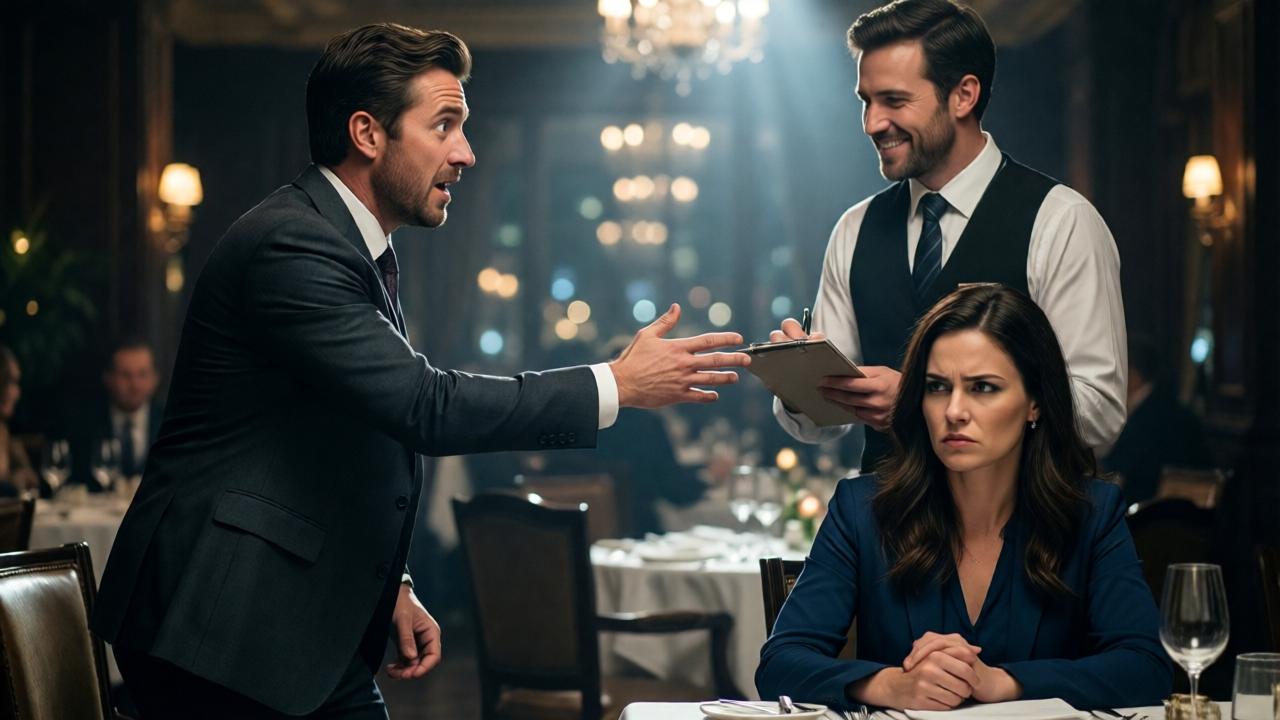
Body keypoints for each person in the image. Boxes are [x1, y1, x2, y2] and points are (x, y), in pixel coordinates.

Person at [91, 24, 750, 719]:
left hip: (296, 616)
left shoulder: (348, 248)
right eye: (444, 125)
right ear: (368, 133)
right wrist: (613, 384)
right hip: (220, 621)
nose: (465, 153)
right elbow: (422, 405)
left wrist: (390, 585)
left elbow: (345, 440)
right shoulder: (294, 244)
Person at [756, 285, 1171, 712]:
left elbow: (1146, 669)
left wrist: (1002, 682)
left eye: (983, 388)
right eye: (937, 387)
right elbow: (780, 665)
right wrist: (889, 685)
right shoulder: (862, 509)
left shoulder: (1092, 513)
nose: (954, 410)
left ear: (1034, 404)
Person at [770, 0, 1126, 473]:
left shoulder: (1061, 221)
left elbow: (1099, 411)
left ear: (963, 95)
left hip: (1021, 535)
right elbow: (824, 424)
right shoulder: (854, 229)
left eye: (894, 101)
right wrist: (799, 384)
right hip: (885, 531)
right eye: (866, 101)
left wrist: (923, 398)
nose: (873, 123)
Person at [1100, 334, 1212, 505]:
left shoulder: (1152, 414)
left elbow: (1121, 466)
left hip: (1152, 513)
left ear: (1134, 374)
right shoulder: (1158, 404)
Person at [66, 338, 162, 489]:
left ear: (155, 379)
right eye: (125, 375)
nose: (135, 385)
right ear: (108, 378)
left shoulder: (172, 421)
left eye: (142, 374)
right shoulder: (82, 422)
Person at [0, 345, 37, 496]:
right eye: (11, 382)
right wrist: (11, 484)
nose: (17, 393)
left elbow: (32, 480)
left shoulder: (4, 433)